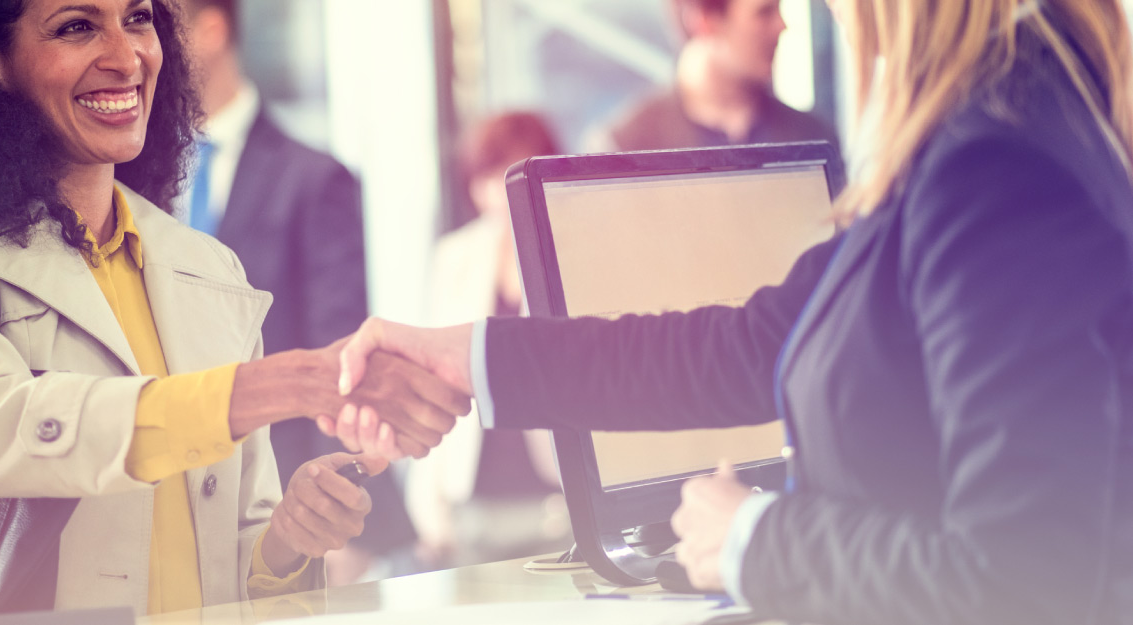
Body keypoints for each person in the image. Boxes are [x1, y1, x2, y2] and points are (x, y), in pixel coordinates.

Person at [330, 1, 1133, 623]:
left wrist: (754, 539)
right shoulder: (973, 142)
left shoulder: (998, 168)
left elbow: (1028, 574)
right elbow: (747, 346)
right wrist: (469, 356)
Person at [0, 0, 466, 616]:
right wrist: (292, 383)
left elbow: (235, 575)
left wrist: (289, 542)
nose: (127, 55)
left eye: (138, 18)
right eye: (77, 26)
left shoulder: (208, 268)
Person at [180, 0, 417, 584]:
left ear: (212, 29)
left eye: (155, 25)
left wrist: (332, 512)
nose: (138, 50)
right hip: (172, 490)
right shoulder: (136, 183)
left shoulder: (312, 178)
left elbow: (336, 354)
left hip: (280, 490)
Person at [408, 111, 569, 568]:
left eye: (513, 171)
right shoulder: (455, 256)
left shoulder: (568, 243)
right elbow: (432, 370)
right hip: (472, 496)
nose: (498, 189)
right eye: (487, 175)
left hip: (555, 493)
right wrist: (429, 503)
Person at [586, 0, 837, 152]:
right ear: (705, 22)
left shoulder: (814, 137)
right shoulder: (625, 144)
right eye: (764, 12)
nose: (783, 25)